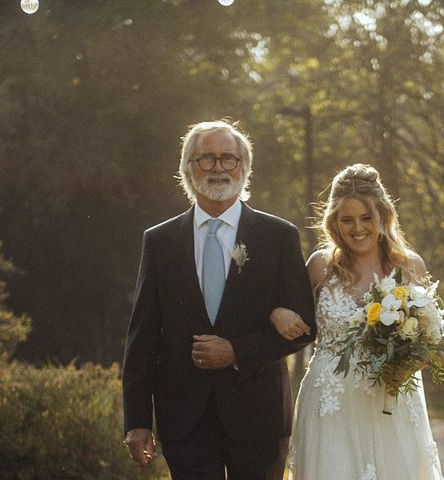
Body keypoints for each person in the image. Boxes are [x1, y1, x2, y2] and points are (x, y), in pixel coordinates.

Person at [122, 119, 316, 480]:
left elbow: (305, 328)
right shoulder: (160, 241)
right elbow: (142, 337)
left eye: (228, 158)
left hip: (259, 417)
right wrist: (136, 421)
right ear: (187, 169)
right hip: (184, 419)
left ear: (244, 167)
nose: (218, 167)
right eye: (206, 158)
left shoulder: (278, 236)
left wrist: (238, 351)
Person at [270, 163, 444, 479]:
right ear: (334, 221)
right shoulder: (320, 266)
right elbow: (291, 318)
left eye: (367, 218)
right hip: (331, 405)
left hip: (391, 403)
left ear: (383, 216)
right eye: (347, 219)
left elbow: (427, 345)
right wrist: (275, 312)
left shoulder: (408, 266)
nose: (358, 228)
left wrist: (407, 357)